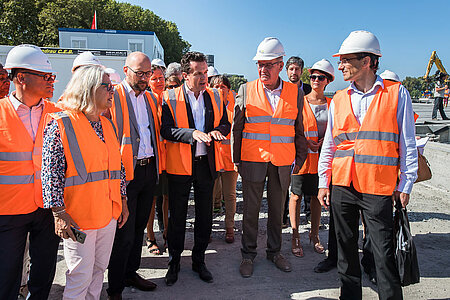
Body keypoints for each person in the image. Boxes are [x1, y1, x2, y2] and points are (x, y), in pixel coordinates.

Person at [318, 30, 418, 300]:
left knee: (383, 254)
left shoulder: (396, 93)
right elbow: (330, 144)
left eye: (345, 60)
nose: (340, 66)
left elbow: (407, 141)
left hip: (378, 185)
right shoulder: (338, 99)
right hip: (342, 184)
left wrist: (406, 182)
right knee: (345, 251)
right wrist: (323, 183)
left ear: (366, 62)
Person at [41, 65, 128, 299]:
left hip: (107, 214)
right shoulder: (61, 123)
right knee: (80, 274)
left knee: (99, 270)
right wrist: (58, 213)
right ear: (89, 88)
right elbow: (51, 174)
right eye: (107, 87)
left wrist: (123, 199)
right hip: (78, 217)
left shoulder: (107, 124)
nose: (112, 91)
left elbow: (116, 167)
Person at [232, 37, 308, 278]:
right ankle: (248, 254)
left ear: (280, 65)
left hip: (283, 161)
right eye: (259, 64)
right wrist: (236, 158)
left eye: (268, 64)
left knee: (277, 210)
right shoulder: (246, 89)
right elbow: (238, 127)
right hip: (253, 159)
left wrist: (301, 158)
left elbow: (299, 128)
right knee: (251, 211)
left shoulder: (295, 92)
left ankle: (275, 251)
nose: (263, 69)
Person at [161, 51, 230, 286]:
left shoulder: (216, 96)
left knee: (204, 217)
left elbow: (226, 123)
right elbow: (166, 130)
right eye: (198, 73)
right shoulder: (169, 97)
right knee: (177, 217)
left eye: (205, 73)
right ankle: (174, 263)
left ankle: (199, 261)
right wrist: (192, 134)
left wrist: (217, 131)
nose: (203, 77)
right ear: (184, 75)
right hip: (179, 167)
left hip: (206, 166)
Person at [0, 44, 61, 300]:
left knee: (44, 271)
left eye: (52, 76)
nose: (51, 81)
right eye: (45, 76)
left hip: (47, 208)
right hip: (8, 210)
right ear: (21, 78)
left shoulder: (57, 114)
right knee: (6, 275)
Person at [107, 52, 161, 298]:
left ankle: (131, 273)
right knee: (123, 234)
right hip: (125, 175)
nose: (144, 78)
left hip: (148, 171)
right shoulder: (113, 95)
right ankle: (116, 287)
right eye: (139, 73)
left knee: (138, 228)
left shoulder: (150, 98)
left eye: (147, 73)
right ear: (125, 69)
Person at [289, 59, 335, 258]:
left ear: (327, 81)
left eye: (320, 77)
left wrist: (326, 141)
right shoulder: (300, 100)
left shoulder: (332, 104)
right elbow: (291, 126)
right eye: (313, 76)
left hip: (322, 160)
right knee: (296, 196)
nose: (315, 80)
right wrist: (306, 142)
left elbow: (338, 129)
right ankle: (295, 235)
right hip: (301, 157)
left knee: (318, 198)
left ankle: (314, 235)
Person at [283, 56, 312, 228]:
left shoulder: (309, 90)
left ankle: (308, 214)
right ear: (287, 71)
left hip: (306, 137)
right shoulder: (282, 89)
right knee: (284, 180)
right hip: (286, 139)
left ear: (302, 71)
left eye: (297, 69)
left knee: (307, 176)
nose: (294, 72)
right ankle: (283, 217)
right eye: (291, 69)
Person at [211, 75, 239, 243]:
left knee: (230, 195)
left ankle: (230, 227)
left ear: (229, 90)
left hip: (229, 159)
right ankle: (207, 228)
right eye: (217, 86)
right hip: (213, 158)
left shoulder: (235, 108)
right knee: (210, 194)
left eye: (223, 86)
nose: (220, 89)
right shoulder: (209, 106)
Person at [146, 64, 168, 255]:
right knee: (151, 201)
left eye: (162, 78)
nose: (159, 81)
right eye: (155, 79)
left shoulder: (169, 98)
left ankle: (167, 235)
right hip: (153, 160)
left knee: (167, 198)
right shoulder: (146, 100)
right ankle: (151, 237)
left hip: (169, 159)